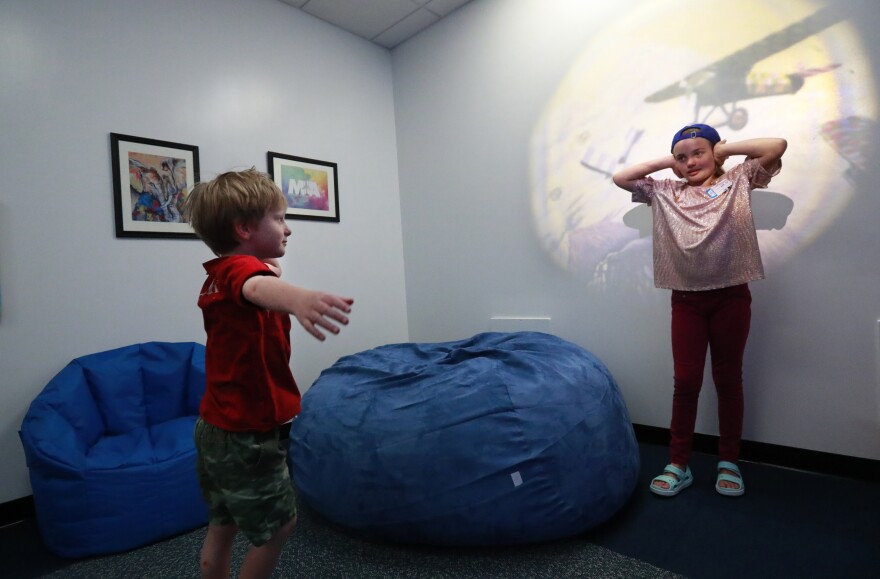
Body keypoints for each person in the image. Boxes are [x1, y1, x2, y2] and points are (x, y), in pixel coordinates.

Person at [184, 168, 354, 578]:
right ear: (244, 228)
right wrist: (298, 297)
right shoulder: (243, 274)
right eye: (279, 219)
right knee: (279, 527)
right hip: (247, 434)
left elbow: (257, 287)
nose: (288, 229)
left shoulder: (217, 276)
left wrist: (275, 279)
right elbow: (258, 289)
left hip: (216, 428)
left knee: (222, 525)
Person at [612, 124, 786, 497]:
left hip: (731, 297)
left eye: (698, 153)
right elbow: (621, 177)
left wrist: (722, 151)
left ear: (715, 153)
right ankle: (679, 463)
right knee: (686, 382)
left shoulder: (740, 180)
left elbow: (776, 145)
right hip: (687, 301)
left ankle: (729, 461)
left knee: (728, 380)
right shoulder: (665, 191)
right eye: (682, 157)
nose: (690, 162)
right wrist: (670, 159)